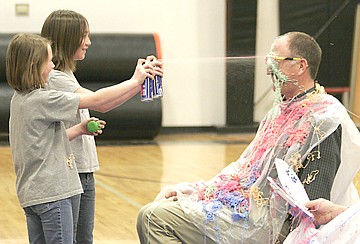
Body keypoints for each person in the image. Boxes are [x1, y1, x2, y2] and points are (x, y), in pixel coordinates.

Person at [136, 31, 360, 243]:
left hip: (272, 224)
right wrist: (196, 190)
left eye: (276, 59)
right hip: (250, 211)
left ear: (301, 66)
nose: (268, 68)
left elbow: (311, 206)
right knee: (156, 210)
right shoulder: (280, 111)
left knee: (153, 218)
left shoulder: (325, 119)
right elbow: (246, 169)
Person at [40, 9, 163, 244]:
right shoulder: (55, 77)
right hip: (69, 173)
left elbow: (105, 103)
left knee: (84, 238)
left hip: (83, 171)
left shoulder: (66, 73)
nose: (88, 42)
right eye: (83, 36)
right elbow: (100, 102)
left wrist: (138, 84)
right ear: (66, 38)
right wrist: (134, 81)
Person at [6, 33, 106, 244]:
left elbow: (40, 144)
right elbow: (98, 101)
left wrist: (79, 129)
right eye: (49, 60)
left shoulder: (18, 100)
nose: (52, 66)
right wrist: (136, 81)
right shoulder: (43, 99)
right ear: (35, 65)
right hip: (53, 194)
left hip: (32, 194)